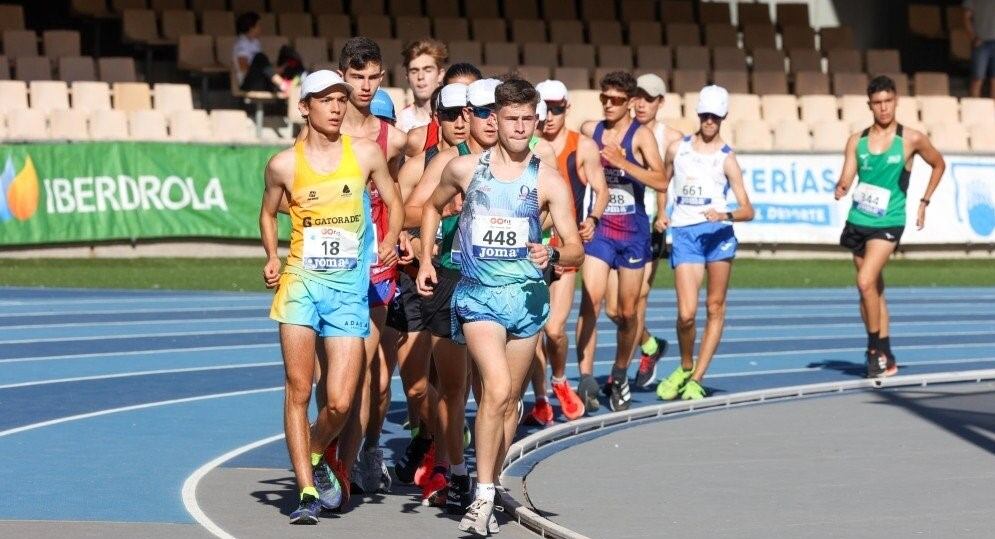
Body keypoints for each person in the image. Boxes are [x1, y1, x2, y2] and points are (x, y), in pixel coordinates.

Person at [416, 78, 584, 536]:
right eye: (510, 118)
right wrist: (428, 258)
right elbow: (429, 208)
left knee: (509, 399)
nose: (518, 126)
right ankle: (484, 495)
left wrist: (552, 254)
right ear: (495, 119)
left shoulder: (547, 180)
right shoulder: (466, 169)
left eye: (527, 119)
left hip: (527, 300)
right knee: (493, 388)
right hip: (478, 297)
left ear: (536, 121)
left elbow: (575, 249)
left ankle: (489, 477)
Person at [259, 70, 401, 524]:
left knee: (339, 400)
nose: (337, 106)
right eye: (326, 99)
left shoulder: (364, 154)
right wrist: (271, 256)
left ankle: (315, 454)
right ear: (305, 107)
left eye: (341, 99)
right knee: (300, 387)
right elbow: (266, 213)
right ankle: (305, 491)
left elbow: (394, 201)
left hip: (347, 291)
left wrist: (392, 237)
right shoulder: (283, 164)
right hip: (300, 283)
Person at [399, 78, 502, 512]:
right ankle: (452, 467)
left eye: (495, 112)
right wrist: (438, 220)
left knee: (497, 391)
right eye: (477, 113)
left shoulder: (524, 163)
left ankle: (485, 479)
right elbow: (415, 207)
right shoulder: (448, 160)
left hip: (500, 283)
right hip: (452, 279)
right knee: (450, 387)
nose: (485, 121)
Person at [324, 37, 407, 500]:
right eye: (357, 76)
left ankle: (350, 461)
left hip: (375, 266)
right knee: (331, 375)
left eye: (374, 77)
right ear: (343, 76)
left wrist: (401, 237)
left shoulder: (391, 139)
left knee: (365, 367)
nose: (366, 85)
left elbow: (406, 195)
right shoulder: (323, 132)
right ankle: (331, 451)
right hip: (329, 263)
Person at [833, 75, 945, 378]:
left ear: (896, 101)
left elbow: (938, 164)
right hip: (858, 220)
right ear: (870, 105)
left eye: (888, 101)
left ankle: (872, 351)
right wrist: (841, 187)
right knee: (873, 292)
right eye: (877, 103)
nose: (883, 108)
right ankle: (888, 353)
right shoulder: (857, 140)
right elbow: (848, 175)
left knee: (866, 282)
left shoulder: (911, 139)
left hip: (889, 221)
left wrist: (924, 201)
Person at [573, 71, 668, 413]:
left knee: (626, 313)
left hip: (633, 233)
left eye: (616, 100)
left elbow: (660, 180)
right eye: (605, 98)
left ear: (629, 103)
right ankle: (584, 378)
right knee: (592, 300)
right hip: (600, 230)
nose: (609, 105)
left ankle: (620, 372)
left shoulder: (640, 135)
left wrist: (622, 162)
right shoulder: (590, 130)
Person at [654, 85, 754, 401]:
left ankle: (698, 376)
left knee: (714, 306)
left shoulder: (727, 159)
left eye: (715, 117)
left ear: (723, 117)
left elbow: (748, 209)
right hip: (685, 234)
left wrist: (724, 214)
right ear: (698, 115)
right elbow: (661, 182)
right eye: (705, 115)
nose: (709, 121)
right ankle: (685, 365)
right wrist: (660, 213)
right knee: (686, 313)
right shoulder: (677, 149)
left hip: (718, 237)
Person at [522, 79, 608, 426]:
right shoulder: (518, 144)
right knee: (530, 329)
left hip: (561, 245)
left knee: (554, 329)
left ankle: (559, 379)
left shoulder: (579, 146)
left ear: (565, 109)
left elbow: (598, 190)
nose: (551, 116)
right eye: (547, 109)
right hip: (529, 247)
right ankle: (540, 398)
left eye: (558, 109)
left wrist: (592, 218)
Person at [628, 74, 683, 389]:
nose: (640, 104)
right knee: (616, 308)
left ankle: (625, 369)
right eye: (637, 96)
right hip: (621, 223)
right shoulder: (622, 131)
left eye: (648, 98)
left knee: (638, 299)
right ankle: (649, 345)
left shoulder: (672, 138)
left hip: (651, 225)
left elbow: (672, 180)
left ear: (660, 102)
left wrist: (664, 214)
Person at [405, 63, 483, 156]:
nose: (461, 98)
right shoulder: (418, 140)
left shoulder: (495, 139)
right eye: (453, 91)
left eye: (468, 92)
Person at [233, 11, 303, 93]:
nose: (260, 28)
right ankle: (282, 84)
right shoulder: (242, 43)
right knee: (260, 57)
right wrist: (268, 71)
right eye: (258, 25)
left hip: (262, 79)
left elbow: (263, 67)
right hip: (249, 83)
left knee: (288, 55)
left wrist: (272, 70)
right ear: (251, 27)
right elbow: (243, 67)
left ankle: (296, 84)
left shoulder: (255, 42)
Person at [397, 38, 447, 132]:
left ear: (440, 75)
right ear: (407, 77)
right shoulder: (399, 124)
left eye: (428, 70)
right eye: (414, 71)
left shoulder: (454, 119)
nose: (420, 76)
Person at [964, 0, 995, 97]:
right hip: (982, 42)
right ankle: (974, 109)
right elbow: (966, 17)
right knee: (977, 78)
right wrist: (973, 37)